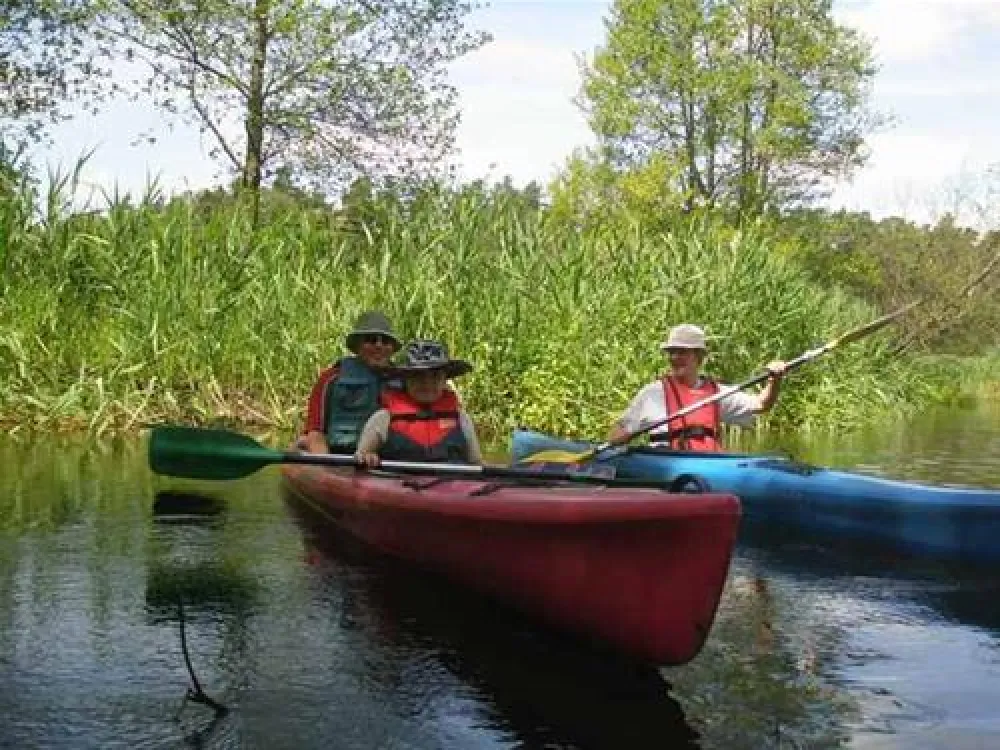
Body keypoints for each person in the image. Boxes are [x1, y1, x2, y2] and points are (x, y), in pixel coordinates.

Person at [608, 323, 787, 452]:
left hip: (708, 465)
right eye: (672, 352)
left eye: (682, 352)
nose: (675, 357)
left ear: (699, 356)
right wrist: (621, 439)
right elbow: (618, 433)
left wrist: (775, 380)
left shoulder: (717, 394)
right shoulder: (652, 394)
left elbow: (762, 405)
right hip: (665, 465)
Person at [355, 339, 483, 467]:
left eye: (435, 376)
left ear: (445, 380)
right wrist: (368, 456)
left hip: (452, 484)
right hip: (398, 484)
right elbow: (361, 455)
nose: (427, 383)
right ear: (405, 380)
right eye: (417, 376)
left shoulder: (461, 419)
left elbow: (477, 465)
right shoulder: (383, 419)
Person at [298, 310, 402, 454]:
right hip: (339, 456)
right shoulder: (332, 378)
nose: (379, 346)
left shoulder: (406, 381)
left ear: (392, 348)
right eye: (371, 340)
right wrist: (325, 466)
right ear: (358, 346)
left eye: (385, 341)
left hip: (390, 461)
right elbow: (315, 431)